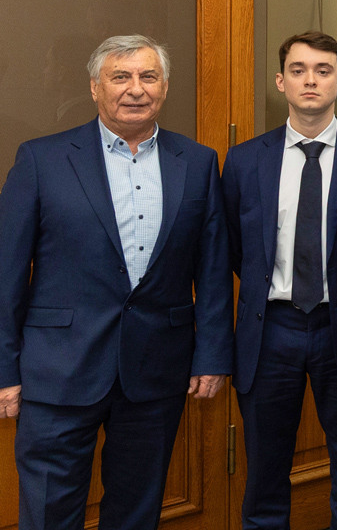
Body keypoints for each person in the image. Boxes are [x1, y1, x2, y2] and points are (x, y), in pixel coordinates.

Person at [0, 34, 232, 530]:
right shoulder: (41, 160)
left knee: (136, 513)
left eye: (148, 76)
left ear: (164, 87)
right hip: (57, 373)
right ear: (94, 87)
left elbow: (212, 270)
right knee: (48, 513)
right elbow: (7, 274)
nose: (135, 89)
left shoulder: (196, 162)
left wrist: (212, 354)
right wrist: (4, 369)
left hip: (155, 372)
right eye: (120, 77)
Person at [224, 31, 337, 530]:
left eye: (322, 70)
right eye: (298, 70)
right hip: (271, 331)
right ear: (281, 82)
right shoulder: (245, 160)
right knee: (264, 472)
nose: (309, 80)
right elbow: (235, 248)